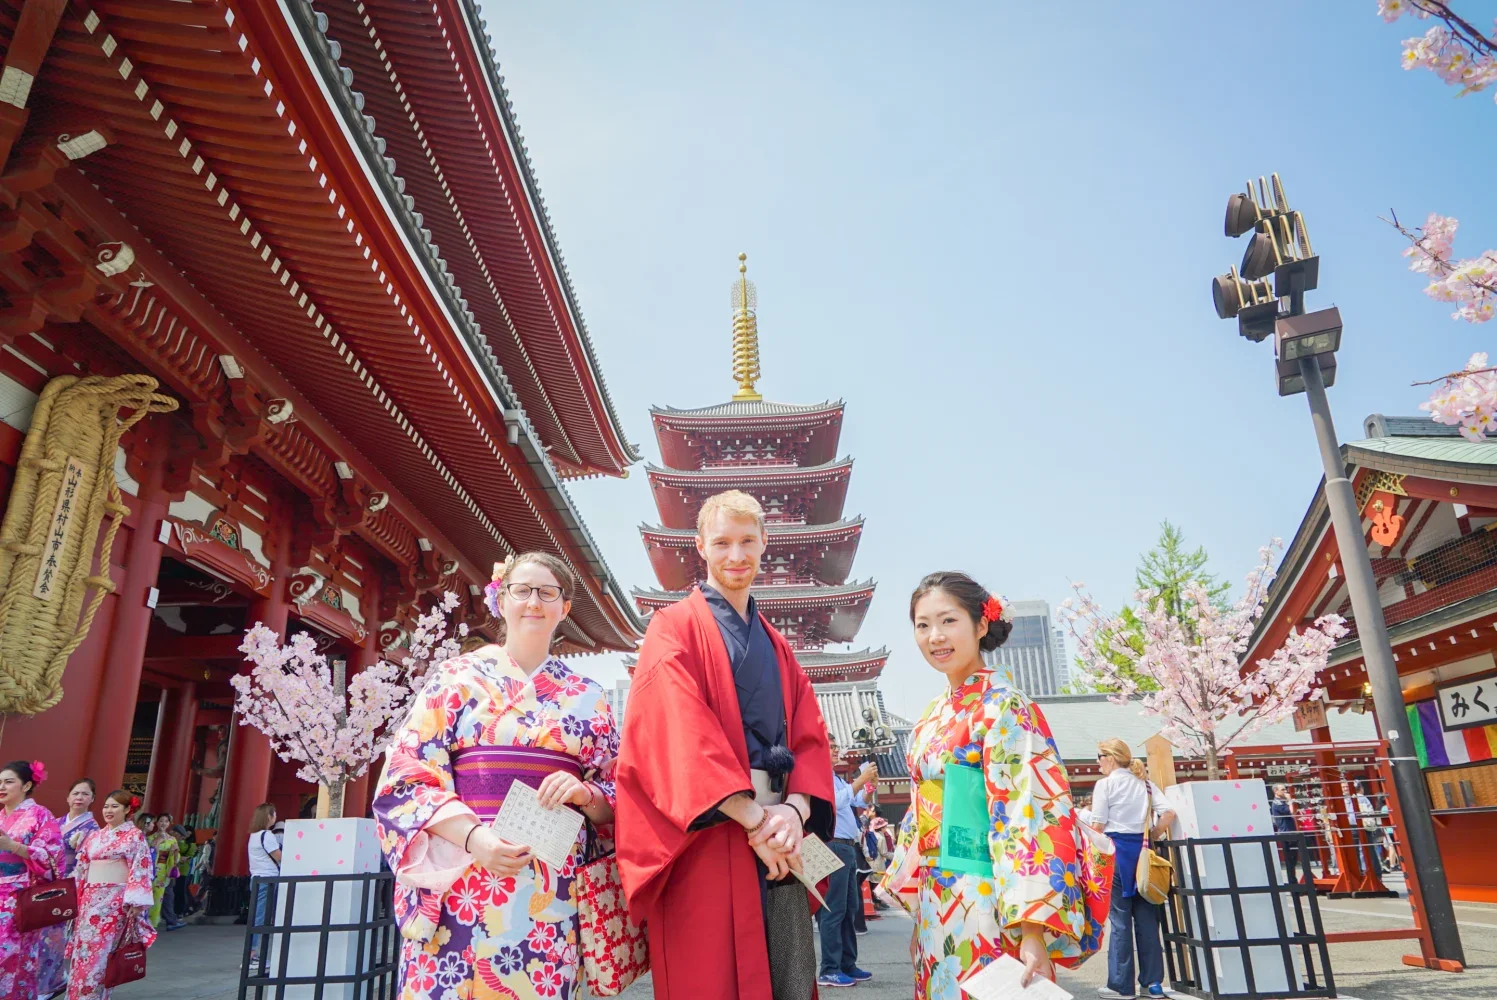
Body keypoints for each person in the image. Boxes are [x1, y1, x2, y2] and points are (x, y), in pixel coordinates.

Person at [616, 490, 835, 1000]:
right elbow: (677, 732)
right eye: (722, 542)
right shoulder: (672, 628)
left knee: (789, 977)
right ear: (700, 547)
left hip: (781, 836)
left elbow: (810, 736)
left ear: (764, 544)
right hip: (711, 834)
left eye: (747, 542)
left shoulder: (777, 644)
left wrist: (795, 813)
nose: (736, 556)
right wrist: (754, 819)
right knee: (708, 978)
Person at [373, 551, 619, 1000]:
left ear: (564, 609)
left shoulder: (590, 698)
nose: (533, 602)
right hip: (463, 873)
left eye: (548, 593)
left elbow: (618, 793)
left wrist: (585, 793)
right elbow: (406, 776)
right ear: (499, 600)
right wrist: (475, 840)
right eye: (521, 591)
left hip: (551, 883)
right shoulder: (455, 678)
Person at [883, 573, 1104, 999]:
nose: (935, 637)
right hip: (939, 893)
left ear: (981, 624)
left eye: (948, 621)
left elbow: (1030, 811)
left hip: (990, 894)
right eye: (923, 625)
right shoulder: (932, 714)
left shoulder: (1006, 706)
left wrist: (1032, 929)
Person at [1091, 737, 1176, 1000]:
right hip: (1144, 853)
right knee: (1148, 919)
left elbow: (1097, 827)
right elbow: (1169, 813)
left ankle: (1121, 986)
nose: (1097, 764)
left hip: (1117, 854)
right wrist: (1153, 833)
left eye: (1099, 758)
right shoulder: (1146, 784)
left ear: (1110, 758)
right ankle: (1152, 984)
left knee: (1119, 920)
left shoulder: (1104, 785)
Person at [65, 790, 156, 1000]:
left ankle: (94, 996)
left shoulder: (134, 836)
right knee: (82, 951)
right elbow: (82, 868)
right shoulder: (95, 836)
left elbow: (140, 868)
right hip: (88, 901)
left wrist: (135, 901)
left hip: (114, 903)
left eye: (115, 806)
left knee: (102, 954)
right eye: (106, 806)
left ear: (127, 810)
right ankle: (76, 995)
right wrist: (72, 894)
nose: (108, 810)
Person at [0, 759, 63, 998]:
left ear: (26, 785)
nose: (1, 787)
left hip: (20, 897)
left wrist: (13, 846)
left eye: (8, 782)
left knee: (12, 957)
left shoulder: (40, 815)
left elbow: (53, 857)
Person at [817, 749, 872, 987]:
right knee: (833, 909)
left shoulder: (837, 778)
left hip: (846, 847)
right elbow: (833, 802)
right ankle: (829, 968)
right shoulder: (817, 775)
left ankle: (847, 964)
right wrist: (859, 781)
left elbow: (859, 801)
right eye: (831, 744)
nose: (837, 749)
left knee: (850, 908)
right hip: (833, 845)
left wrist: (868, 786)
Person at [245, 803, 281, 966]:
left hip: (258, 878)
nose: (275, 817)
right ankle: (251, 955)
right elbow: (278, 856)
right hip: (267, 879)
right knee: (260, 917)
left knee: (258, 916)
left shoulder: (254, 835)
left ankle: (253, 953)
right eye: (274, 814)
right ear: (269, 816)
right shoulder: (267, 835)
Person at [60, 780, 101, 878]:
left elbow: (87, 857)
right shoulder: (55, 822)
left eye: (85, 794)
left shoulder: (93, 827)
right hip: (50, 874)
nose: (79, 797)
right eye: (75, 793)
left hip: (72, 877)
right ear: (68, 798)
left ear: (92, 798)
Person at [147, 814, 182, 930]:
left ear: (169, 824)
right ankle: (143, 920)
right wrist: (159, 840)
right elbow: (148, 852)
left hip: (163, 871)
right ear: (156, 823)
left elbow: (176, 857)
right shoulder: (150, 838)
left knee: (158, 897)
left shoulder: (172, 839)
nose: (163, 823)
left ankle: (153, 922)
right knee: (147, 896)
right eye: (161, 821)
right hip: (151, 868)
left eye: (166, 821)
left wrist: (174, 853)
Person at [1270, 784, 1301, 885]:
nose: (1285, 791)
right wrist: (1290, 800)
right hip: (1286, 833)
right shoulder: (1277, 803)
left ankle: (1293, 882)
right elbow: (1291, 812)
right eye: (1283, 790)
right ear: (1276, 791)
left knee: (1293, 860)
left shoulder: (1282, 802)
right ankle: (1293, 883)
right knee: (1290, 861)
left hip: (1291, 831)